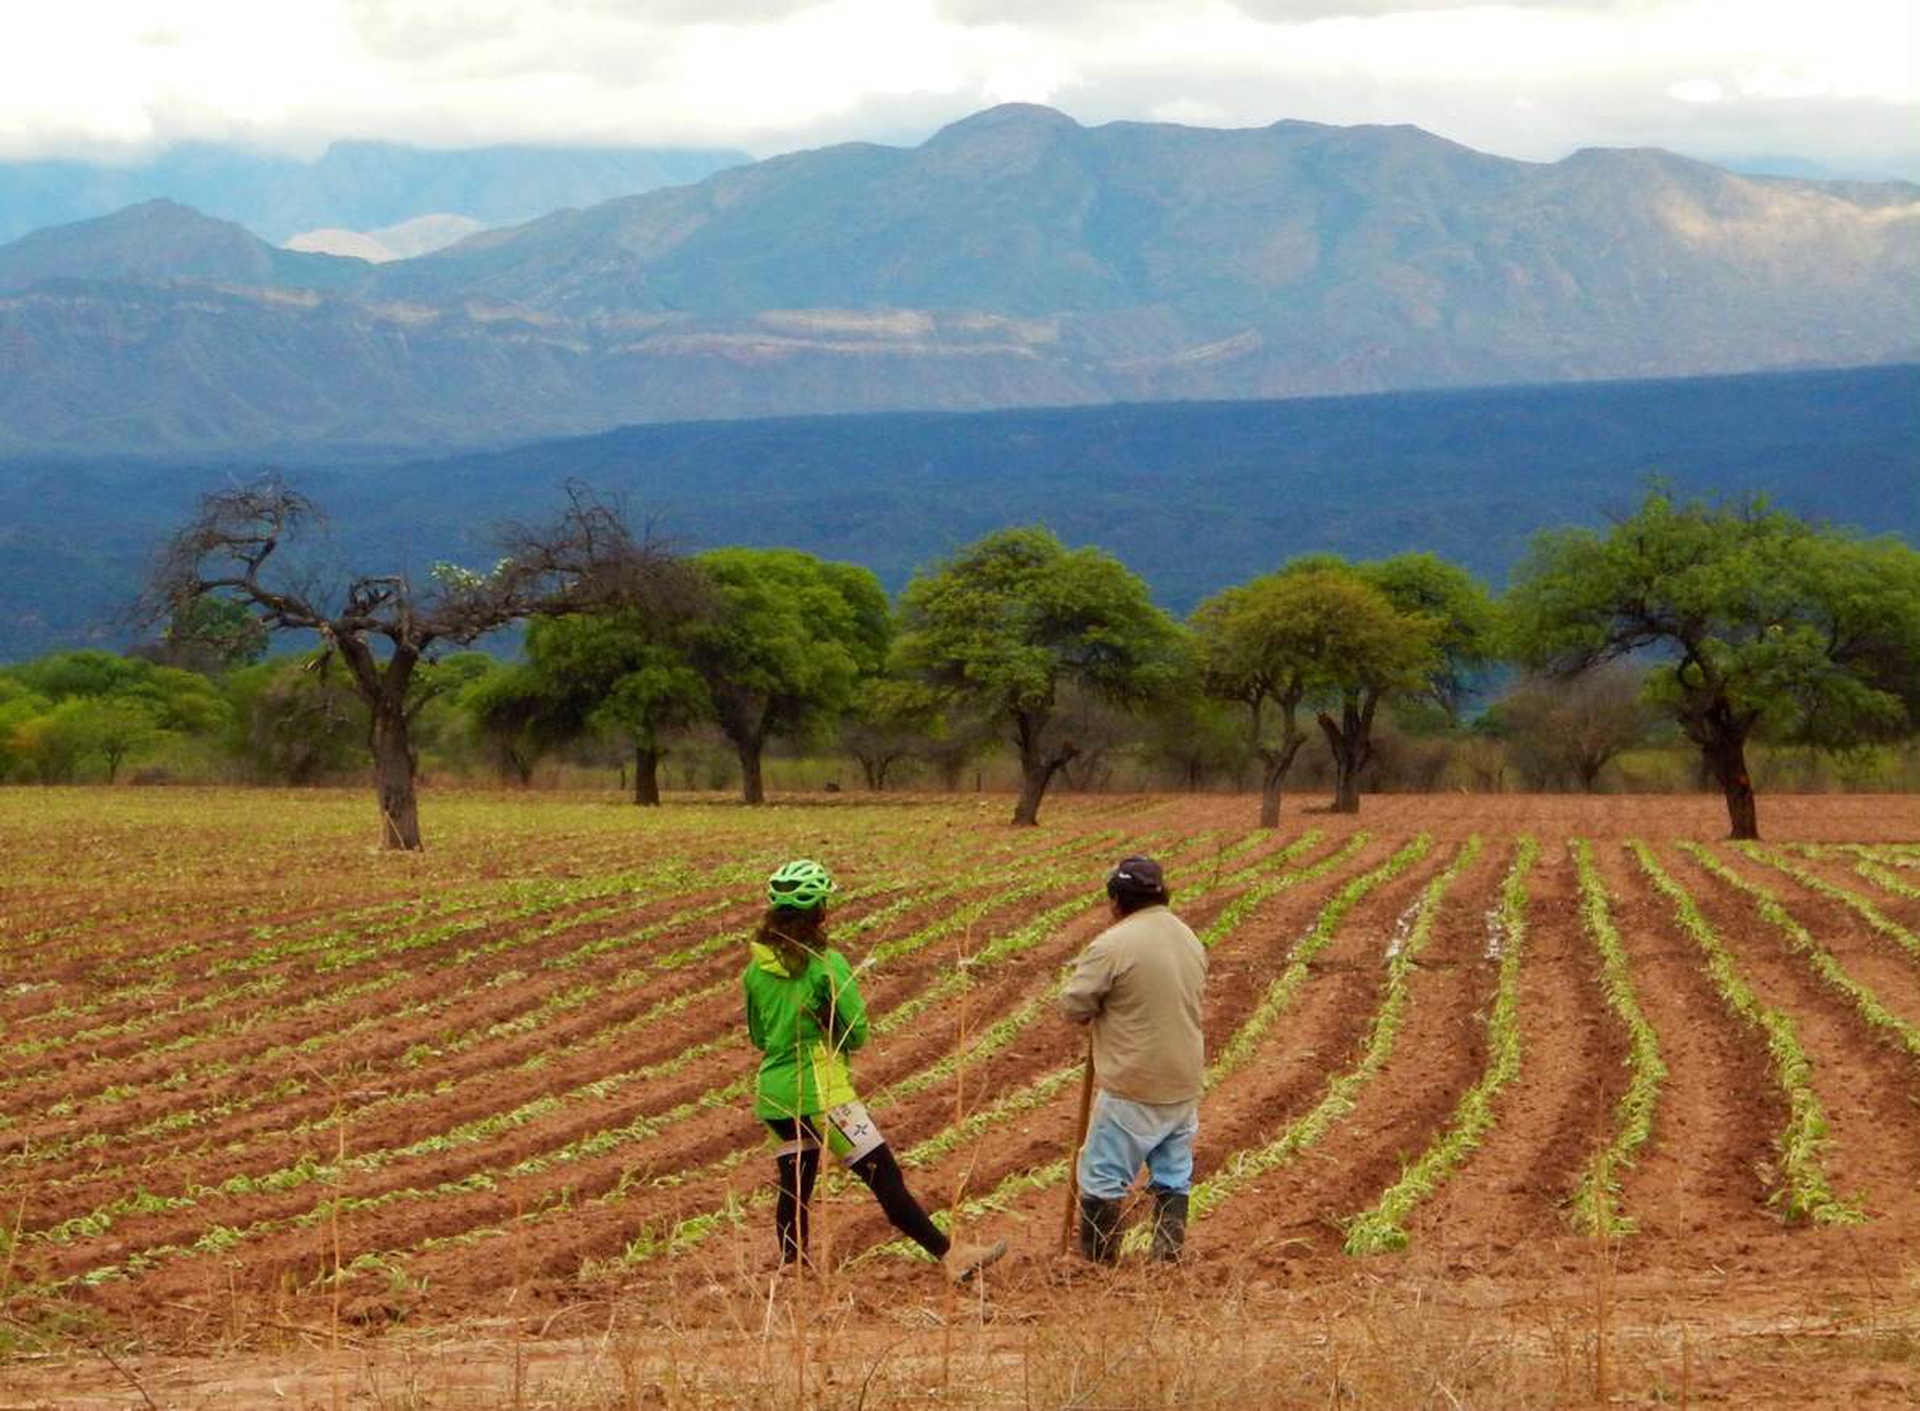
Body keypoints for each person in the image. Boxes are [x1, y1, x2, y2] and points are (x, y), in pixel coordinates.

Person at [742, 858, 1006, 1283]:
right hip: (824, 1093)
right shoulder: (826, 963)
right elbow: (858, 1033)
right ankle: (950, 1255)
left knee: (795, 1184)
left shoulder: (755, 969)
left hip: (774, 1093)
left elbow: (758, 1036)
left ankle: (792, 1269)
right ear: (818, 910)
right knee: (883, 1175)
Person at [1059, 855, 1207, 1263]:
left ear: (1116, 900)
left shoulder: (1112, 945)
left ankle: (1098, 1266)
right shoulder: (1188, 937)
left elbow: (1073, 1005)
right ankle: (1165, 1260)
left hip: (1134, 1082)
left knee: (1102, 1176)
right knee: (1173, 1176)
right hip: (1184, 1080)